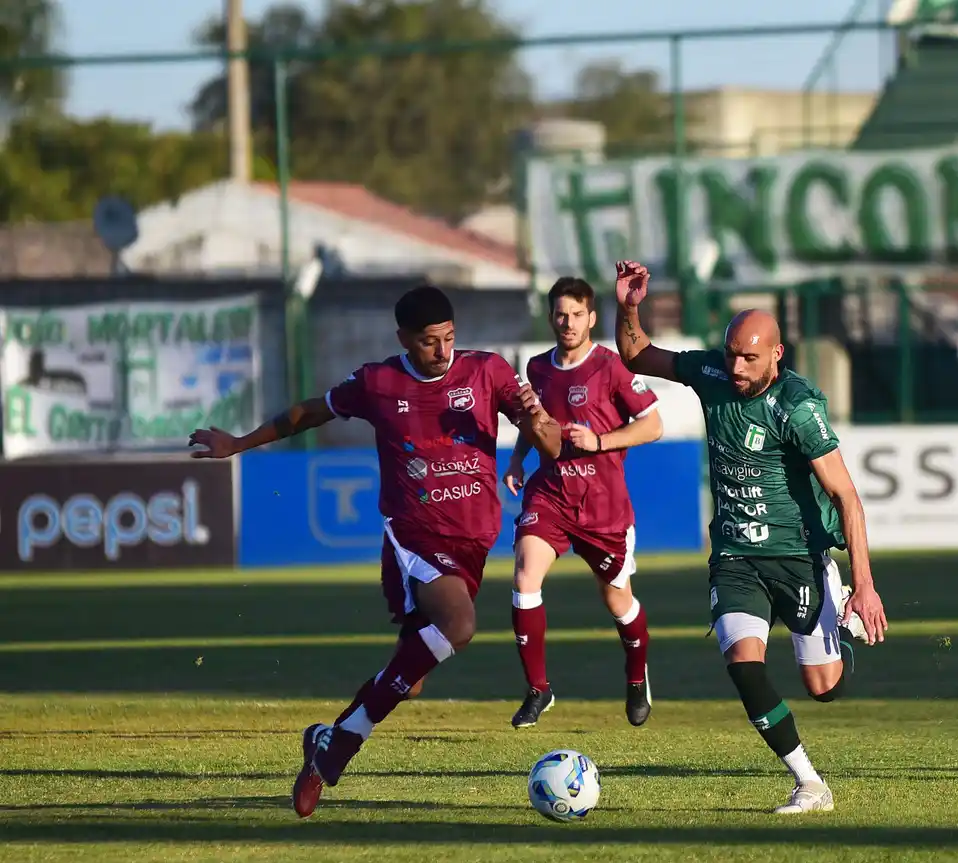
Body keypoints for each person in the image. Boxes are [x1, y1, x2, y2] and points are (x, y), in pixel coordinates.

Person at [188, 285, 562, 817]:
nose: (442, 351)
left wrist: (538, 419)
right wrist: (239, 443)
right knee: (459, 625)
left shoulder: (488, 372)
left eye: (449, 338)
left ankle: (324, 738)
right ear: (404, 339)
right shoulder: (379, 382)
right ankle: (339, 749)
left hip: (473, 543)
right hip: (414, 535)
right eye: (429, 342)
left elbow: (551, 446)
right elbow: (310, 413)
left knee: (410, 683)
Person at [612, 259, 890, 814]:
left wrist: (864, 585)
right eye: (731, 354)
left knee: (823, 686)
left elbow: (847, 497)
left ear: (777, 354)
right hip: (736, 557)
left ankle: (836, 619)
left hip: (799, 557)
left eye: (749, 358)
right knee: (743, 664)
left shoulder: (798, 407)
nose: (736, 367)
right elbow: (637, 354)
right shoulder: (711, 372)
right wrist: (628, 308)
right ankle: (809, 783)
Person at [503, 276, 663, 729]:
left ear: (591, 318)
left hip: (602, 506)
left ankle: (637, 677)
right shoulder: (538, 368)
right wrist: (516, 459)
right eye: (561, 314)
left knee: (617, 602)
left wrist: (599, 441)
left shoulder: (610, 367)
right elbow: (533, 422)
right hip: (551, 495)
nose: (568, 323)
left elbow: (653, 426)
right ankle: (538, 688)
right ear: (551, 318)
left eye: (577, 315)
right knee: (524, 575)